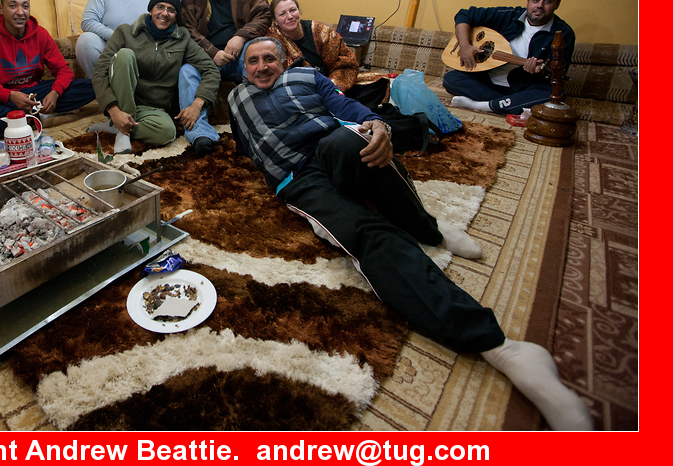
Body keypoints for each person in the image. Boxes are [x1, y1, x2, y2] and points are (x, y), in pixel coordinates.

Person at [228, 36, 592, 431]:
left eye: (269, 58)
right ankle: (498, 346)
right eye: (253, 61)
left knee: (353, 139)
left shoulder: (307, 76)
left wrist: (377, 124)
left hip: (333, 148)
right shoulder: (236, 99)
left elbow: (346, 107)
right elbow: (246, 148)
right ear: (243, 69)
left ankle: (428, 229)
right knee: (365, 232)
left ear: (284, 61)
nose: (261, 66)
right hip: (297, 179)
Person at [90, 0, 220, 156]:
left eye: (171, 10)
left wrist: (198, 103)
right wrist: (113, 110)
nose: (165, 13)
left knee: (167, 133)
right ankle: (121, 126)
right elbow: (100, 72)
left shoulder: (183, 39)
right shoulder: (125, 32)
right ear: (150, 10)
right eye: (160, 7)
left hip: (154, 110)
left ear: (176, 16)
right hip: (124, 101)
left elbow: (211, 70)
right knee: (125, 55)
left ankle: (118, 126)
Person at [0, 0, 95, 134]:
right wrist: (8, 95)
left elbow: (63, 69)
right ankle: (37, 115)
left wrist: (55, 93)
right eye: (13, 6)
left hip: (35, 93)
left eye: (25, 6)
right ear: (1, 9)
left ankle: (32, 114)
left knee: (94, 86)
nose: (20, 12)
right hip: (5, 97)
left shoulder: (40, 34)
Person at [443, 0, 575, 115]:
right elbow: (464, 14)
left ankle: (482, 105)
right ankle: (510, 104)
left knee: (556, 94)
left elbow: (556, 72)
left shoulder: (563, 34)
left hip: (522, 86)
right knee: (451, 79)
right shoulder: (508, 15)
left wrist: (535, 71)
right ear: (528, 1)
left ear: (557, 4)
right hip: (486, 81)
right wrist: (465, 45)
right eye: (535, 0)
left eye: (548, 1)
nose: (539, 5)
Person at [267, 0, 391, 108]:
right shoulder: (272, 41)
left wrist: (331, 86)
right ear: (275, 21)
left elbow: (345, 63)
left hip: (332, 85)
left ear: (299, 11)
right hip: (302, 92)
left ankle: (333, 105)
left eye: (293, 10)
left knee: (381, 81)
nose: (289, 16)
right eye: (282, 14)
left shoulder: (321, 31)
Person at [76, 0, 157, 78]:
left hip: (143, 49)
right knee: (85, 41)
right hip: (111, 48)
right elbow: (87, 21)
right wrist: (116, 36)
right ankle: (98, 83)